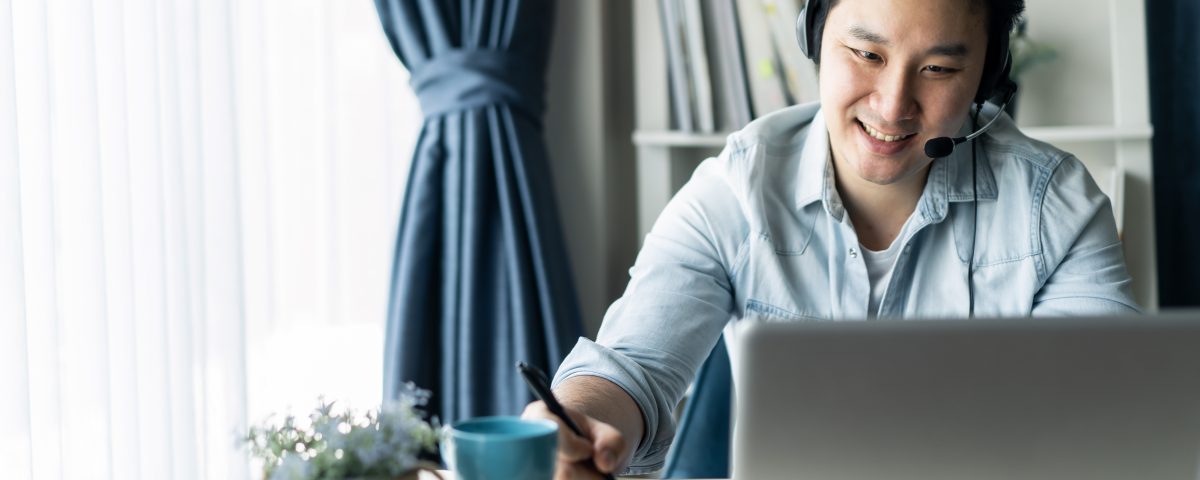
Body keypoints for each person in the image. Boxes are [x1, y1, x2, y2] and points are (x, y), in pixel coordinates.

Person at [524, 0, 1139, 477]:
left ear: (988, 75)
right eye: (867, 55)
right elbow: (632, 367)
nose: (894, 105)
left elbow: (1112, 411)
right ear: (814, 35)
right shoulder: (737, 188)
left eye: (939, 69)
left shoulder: (1053, 205)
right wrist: (578, 421)